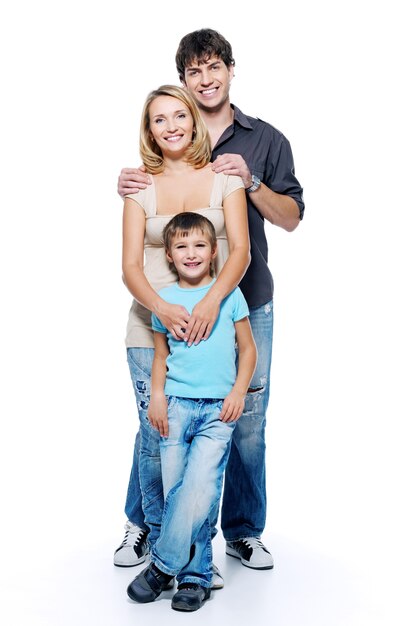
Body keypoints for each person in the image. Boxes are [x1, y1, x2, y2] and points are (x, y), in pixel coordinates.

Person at [116, 29, 304, 575]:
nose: (205, 78)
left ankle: (241, 535)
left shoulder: (262, 141)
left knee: (243, 420)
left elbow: (289, 219)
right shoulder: (161, 155)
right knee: (162, 421)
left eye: (213, 66)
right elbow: (134, 249)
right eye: (193, 71)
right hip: (163, 316)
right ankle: (149, 528)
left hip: (243, 303)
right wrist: (130, 185)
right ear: (181, 83)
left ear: (229, 69)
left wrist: (252, 183)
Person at [116, 83, 250, 585]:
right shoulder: (139, 186)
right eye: (158, 120)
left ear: (194, 120)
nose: (171, 127)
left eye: (179, 116)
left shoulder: (222, 179)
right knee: (158, 440)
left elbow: (239, 251)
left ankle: (191, 555)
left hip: (211, 326)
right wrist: (162, 309)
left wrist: (211, 303)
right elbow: (130, 267)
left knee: (204, 455)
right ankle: (155, 536)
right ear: (148, 130)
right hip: (150, 327)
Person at [127, 212, 257, 612]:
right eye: (181, 246)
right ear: (168, 254)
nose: (191, 253)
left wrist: (238, 392)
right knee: (179, 493)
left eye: (200, 244)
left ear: (215, 250)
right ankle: (195, 576)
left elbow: (248, 350)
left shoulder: (230, 295)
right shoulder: (164, 306)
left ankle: (162, 565)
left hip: (219, 410)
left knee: (199, 488)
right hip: (176, 409)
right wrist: (159, 398)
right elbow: (161, 356)